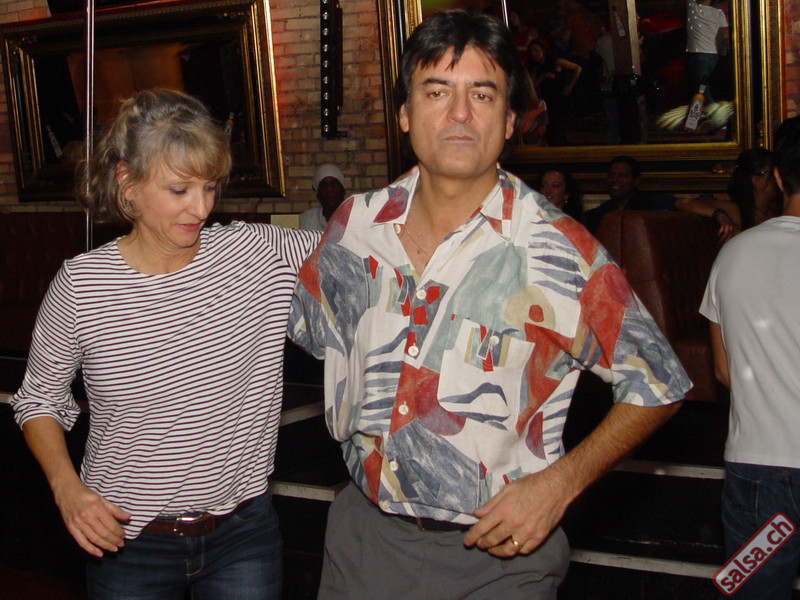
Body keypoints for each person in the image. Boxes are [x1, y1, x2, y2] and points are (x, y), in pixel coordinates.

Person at [290, 10, 689, 599]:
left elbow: (658, 383)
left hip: (499, 557)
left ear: (508, 121)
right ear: (404, 114)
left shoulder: (557, 247)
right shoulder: (353, 227)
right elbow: (311, 338)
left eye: (482, 94)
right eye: (436, 92)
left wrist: (559, 484)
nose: (459, 113)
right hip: (364, 543)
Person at [11, 89, 320, 599]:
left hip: (244, 533)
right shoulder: (82, 286)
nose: (200, 207)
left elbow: (365, 241)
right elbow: (39, 401)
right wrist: (67, 490)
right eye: (179, 189)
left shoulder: (257, 252)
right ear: (127, 183)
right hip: (129, 541)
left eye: (209, 187)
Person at [700, 115, 800, 599]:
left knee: (752, 592)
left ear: (778, 176)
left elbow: (723, 371)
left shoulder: (733, 254)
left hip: (759, 473)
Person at [583, 154, 739, 239]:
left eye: (623, 175)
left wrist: (719, 215)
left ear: (636, 181)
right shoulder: (596, 215)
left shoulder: (650, 201)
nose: (615, 180)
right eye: (611, 175)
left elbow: (684, 203)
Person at [726, 148, 782, 230]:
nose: (779, 177)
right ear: (757, 179)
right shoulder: (736, 210)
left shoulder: (781, 208)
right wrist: (720, 215)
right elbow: (704, 204)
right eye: (773, 173)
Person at [685, 0, 728, 105]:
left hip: (698, 55)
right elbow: (725, 35)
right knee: (702, 85)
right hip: (712, 55)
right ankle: (698, 111)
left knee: (700, 88)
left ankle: (710, 108)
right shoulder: (719, 13)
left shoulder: (693, 8)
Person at [300, 163, 347, 231]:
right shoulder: (306, 219)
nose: (329, 189)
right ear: (318, 194)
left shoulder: (355, 217)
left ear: (343, 190)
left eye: (333, 184)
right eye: (324, 186)